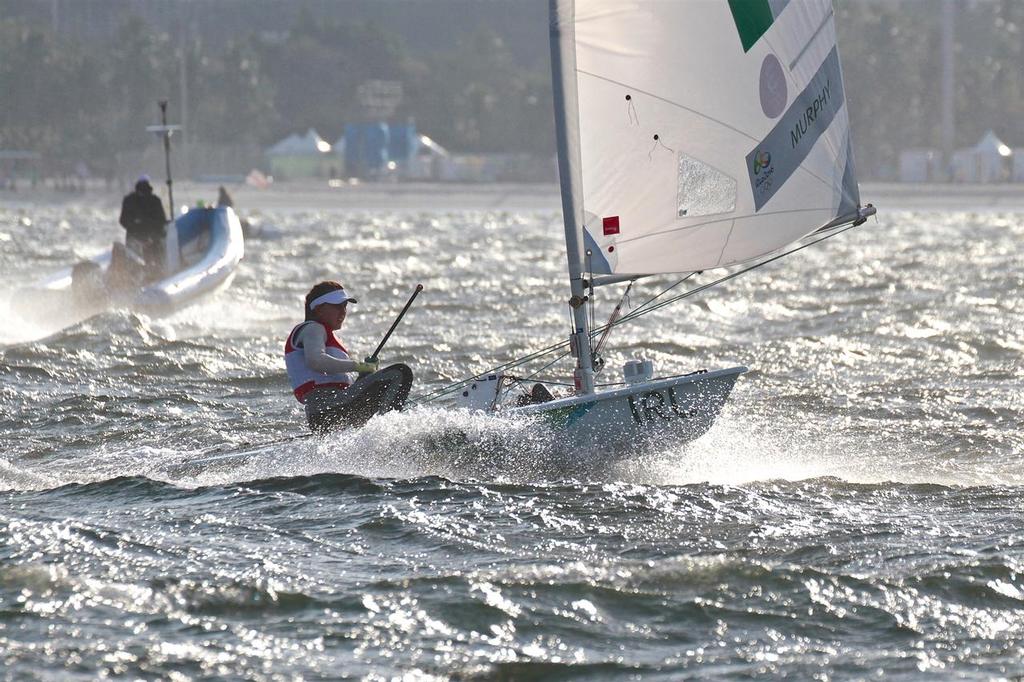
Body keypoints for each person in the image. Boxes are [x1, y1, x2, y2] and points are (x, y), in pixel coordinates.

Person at [284, 281, 414, 433]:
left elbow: (336, 381)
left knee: (384, 383)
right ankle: (388, 434)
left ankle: (375, 435)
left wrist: (364, 375)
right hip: (330, 407)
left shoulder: (324, 335)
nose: (343, 311)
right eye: (337, 306)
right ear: (318, 309)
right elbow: (316, 361)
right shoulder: (313, 328)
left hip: (327, 414)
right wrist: (357, 366)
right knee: (399, 373)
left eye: (345, 306)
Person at [118, 175, 168, 278]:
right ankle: (154, 276)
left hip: (143, 239)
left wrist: (138, 230)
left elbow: (123, 221)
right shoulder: (154, 200)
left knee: (139, 265)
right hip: (144, 240)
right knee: (149, 264)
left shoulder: (129, 200)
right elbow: (161, 221)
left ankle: (149, 277)